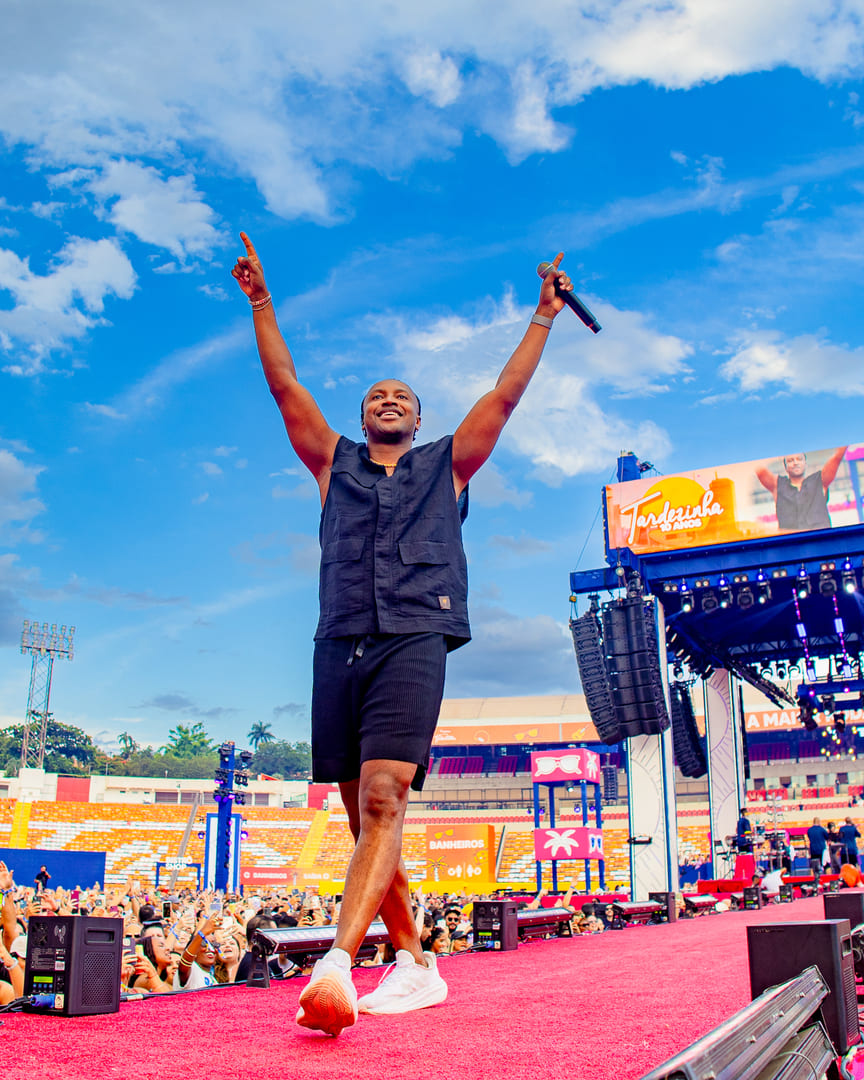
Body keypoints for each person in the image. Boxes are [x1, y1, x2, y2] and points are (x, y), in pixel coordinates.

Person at [232, 234, 574, 1036]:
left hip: (415, 634)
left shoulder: (447, 465)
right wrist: (261, 303)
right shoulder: (332, 463)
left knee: (386, 796)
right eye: (375, 396)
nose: (388, 400)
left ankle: (337, 965)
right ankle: (415, 961)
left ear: (419, 420)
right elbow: (284, 386)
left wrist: (543, 318)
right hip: (338, 640)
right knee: (362, 819)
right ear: (361, 418)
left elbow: (505, 396)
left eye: (402, 397)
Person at [755, 448, 847, 532]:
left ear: (805, 464)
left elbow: (837, 457)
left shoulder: (819, 481)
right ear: (785, 467)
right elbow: (759, 469)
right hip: (792, 542)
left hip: (821, 540)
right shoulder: (778, 485)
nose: (795, 463)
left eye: (799, 459)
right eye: (790, 461)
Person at [806, 817, 830, 883]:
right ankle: (828, 879)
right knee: (826, 865)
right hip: (822, 849)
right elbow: (827, 837)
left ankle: (812, 881)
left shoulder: (809, 830)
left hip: (813, 850)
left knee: (813, 866)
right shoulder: (822, 829)